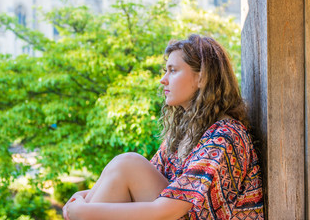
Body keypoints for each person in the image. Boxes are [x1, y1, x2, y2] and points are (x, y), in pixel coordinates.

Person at [63, 34, 264, 220]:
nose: (163, 79)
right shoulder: (185, 133)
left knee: (127, 163)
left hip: (173, 213)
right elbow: (130, 180)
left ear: (202, 77)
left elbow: (167, 210)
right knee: (124, 165)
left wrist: (84, 210)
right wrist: (83, 197)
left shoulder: (225, 136)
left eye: (173, 70)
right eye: (165, 70)